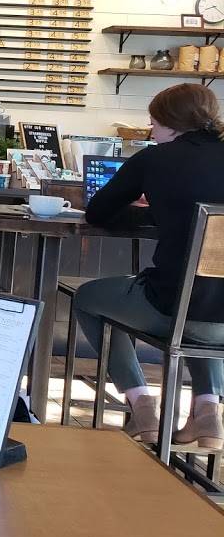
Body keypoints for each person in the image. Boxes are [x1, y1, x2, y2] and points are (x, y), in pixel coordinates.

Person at [74, 83, 224, 448]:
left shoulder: (154, 159)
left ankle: (141, 405)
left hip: (171, 307)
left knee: (88, 298)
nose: (151, 130)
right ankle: (208, 413)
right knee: (204, 300)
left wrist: (150, 211)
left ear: (171, 123)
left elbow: (98, 212)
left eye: (153, 122)